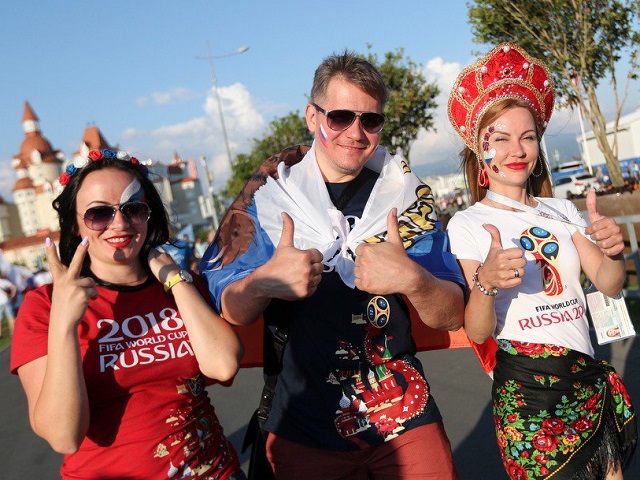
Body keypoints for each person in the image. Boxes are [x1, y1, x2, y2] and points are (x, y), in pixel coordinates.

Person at [200, 51, 466, 479]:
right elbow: (232, 309)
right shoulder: (267, 200)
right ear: (313, 117)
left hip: (405, 416)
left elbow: (451, 314)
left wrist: (414, 280)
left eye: (370, 120)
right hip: (303, 425)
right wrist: (264, 282)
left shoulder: (406, 197)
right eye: (340, 117)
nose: (356, 133)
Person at [446, 44, 637, 479]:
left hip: (586, 379)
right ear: (480, 150)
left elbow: (608, 284)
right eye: (500, 138)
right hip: (528, 395)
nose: (517, 149)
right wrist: (486, 281)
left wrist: (613, 250)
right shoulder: (468, 223)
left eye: (528, 137)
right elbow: (477, 330)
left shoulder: (563, 210)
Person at [10, 149, 246, 479]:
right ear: (75, 225)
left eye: (133, 209)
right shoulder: (45, 305)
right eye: (99, 214)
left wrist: (175, 279)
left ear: (148, 216)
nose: (119, 224)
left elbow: (223, 365)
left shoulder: (180, 286)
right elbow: (64, 436)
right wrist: (64, 324)